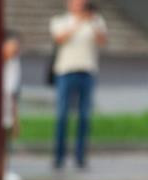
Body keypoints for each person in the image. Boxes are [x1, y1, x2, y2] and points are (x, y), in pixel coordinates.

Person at [49, 0, 107, 170]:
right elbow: (60, 38)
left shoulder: (96, 20)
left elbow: (102, 40)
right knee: (62, 116)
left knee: (84, 116)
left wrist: (92, 21)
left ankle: (80, 157)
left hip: (87, 71)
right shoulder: (60, 20)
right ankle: (59, 157)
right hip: (65, 71)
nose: (79, 4)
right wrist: (79, 21)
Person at [2, 30, 23, 180]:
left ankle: (4, 171)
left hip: (7, 105)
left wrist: (16, 118)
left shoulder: (15, 63)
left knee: (6, 141)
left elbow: (13, 92)